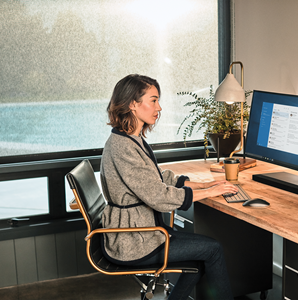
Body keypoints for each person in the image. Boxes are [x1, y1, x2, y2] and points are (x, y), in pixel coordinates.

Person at [100, 74, 238, 299]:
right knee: (212, 250)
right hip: (134, 242)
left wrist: (204, 184)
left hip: (142, 234)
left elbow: (155, 177)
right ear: (133, 104)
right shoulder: (123, 147)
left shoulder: (129, 139)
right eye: (153, 100)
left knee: (202, 255)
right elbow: (158, 196)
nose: (159, 107)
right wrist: (209, 192)